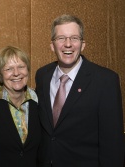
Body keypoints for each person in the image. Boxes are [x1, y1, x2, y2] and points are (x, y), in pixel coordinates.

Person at [35, 14, 124, 167]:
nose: (68, 44)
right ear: (52, 45)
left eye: (74, 38)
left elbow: (112, 143)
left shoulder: (105, 80)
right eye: (61, 38)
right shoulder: (43, 75)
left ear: (83, 45)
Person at [0, 46, 41, 167]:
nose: (16, 73)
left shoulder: (39, 101)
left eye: (21, 67)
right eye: (9, 69)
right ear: (0, 73)